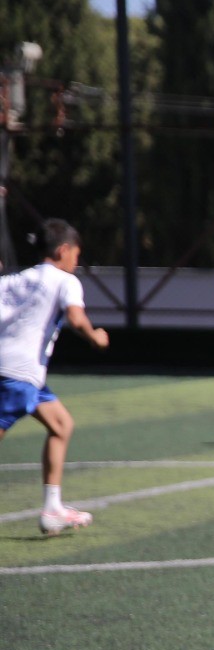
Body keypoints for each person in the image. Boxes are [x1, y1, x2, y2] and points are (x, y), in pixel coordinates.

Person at [0, 219, 111, 536]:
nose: (77, 262)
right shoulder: (65, 280)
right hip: (16, 375)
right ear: (63, 250)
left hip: (21, 374)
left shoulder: (16, 280)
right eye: (77, 254)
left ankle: (52, 509)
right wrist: (95, 337)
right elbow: (76, 317)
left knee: (61, 424)